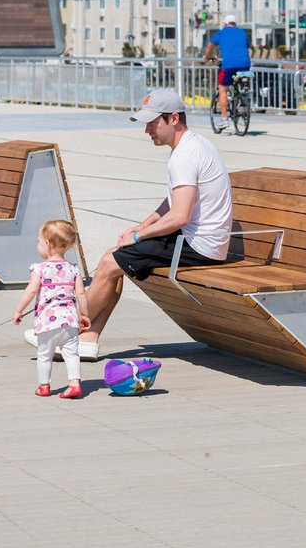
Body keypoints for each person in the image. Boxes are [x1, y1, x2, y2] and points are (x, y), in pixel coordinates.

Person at [80, 88, 232, 359]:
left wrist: (138, 238)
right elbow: (173, 201)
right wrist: (141, 226)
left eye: (153, 123)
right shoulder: (193, 144)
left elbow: (179, 216)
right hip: (198, 239)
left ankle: (63, 330)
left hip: (197, 245)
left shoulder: (184, 155)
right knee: (114, 261)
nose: (147, 130)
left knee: (109, 264)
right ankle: (88, 339)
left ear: (174, 118)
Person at [14, 219, 90, 398]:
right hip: (70, 321)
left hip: (47, 323)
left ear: (48, 245)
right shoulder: (73, 268)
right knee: (71, 354)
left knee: (44, 355)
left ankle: (44, 386)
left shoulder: (39, 269)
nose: (38, 245)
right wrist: (84, 315)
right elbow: (81, 295)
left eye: (39, 242)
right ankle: (74, 384)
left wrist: (19, 310)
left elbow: (31, 290)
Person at [202, 14, 251, 132]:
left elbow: (209, 47)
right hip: (245, 64)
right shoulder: (243, 33)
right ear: (235, 24)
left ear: (225, 24)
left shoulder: (222, 33)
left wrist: (206, 57)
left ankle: (224, 119)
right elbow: (246, 47)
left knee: (222, 89)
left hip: (228, 65)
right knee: (239, 82)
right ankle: (242, 98)